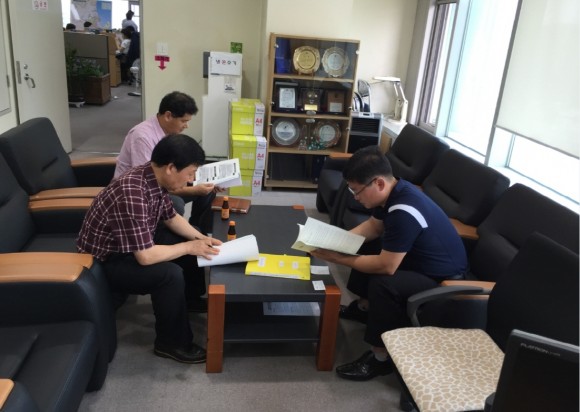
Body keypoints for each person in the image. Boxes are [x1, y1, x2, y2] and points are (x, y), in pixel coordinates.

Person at [310, 146, 468, 381]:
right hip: (416, 257)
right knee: (362, 245)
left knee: (384, 283)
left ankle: (380, 359)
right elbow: (373, 227)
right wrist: (338, 242)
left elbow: (386, 266)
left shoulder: (404, 210)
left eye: (357, 191)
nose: (355, 197)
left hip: (440, 277)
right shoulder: (395, 191)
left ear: (379, 183)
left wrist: (337, 258)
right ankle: (364, 308)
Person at [77, 134, 222, 364]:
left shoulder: (153, 175)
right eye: (190, 173)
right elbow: (145, 257)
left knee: (190, 238)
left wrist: (201, 239)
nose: (191, 180)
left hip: (131, 242)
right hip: (105, 261)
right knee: (169, 275)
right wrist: (189, 246)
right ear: (171, 168)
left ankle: (190, 299)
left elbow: (171, 217)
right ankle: (171, 343)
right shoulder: (132, 192)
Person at [114, 91, 218, 236]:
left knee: (208, 189)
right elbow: (150, 182)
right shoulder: (142, 137)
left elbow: (174, 168)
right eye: (183, 121)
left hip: (162, 182)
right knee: (176, 203)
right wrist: (194, 190)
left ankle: (198, 231)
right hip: (140, 192)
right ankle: (162, 235)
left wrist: (196, 179)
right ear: (168, 116)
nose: (186, 126)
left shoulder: (168, 133)